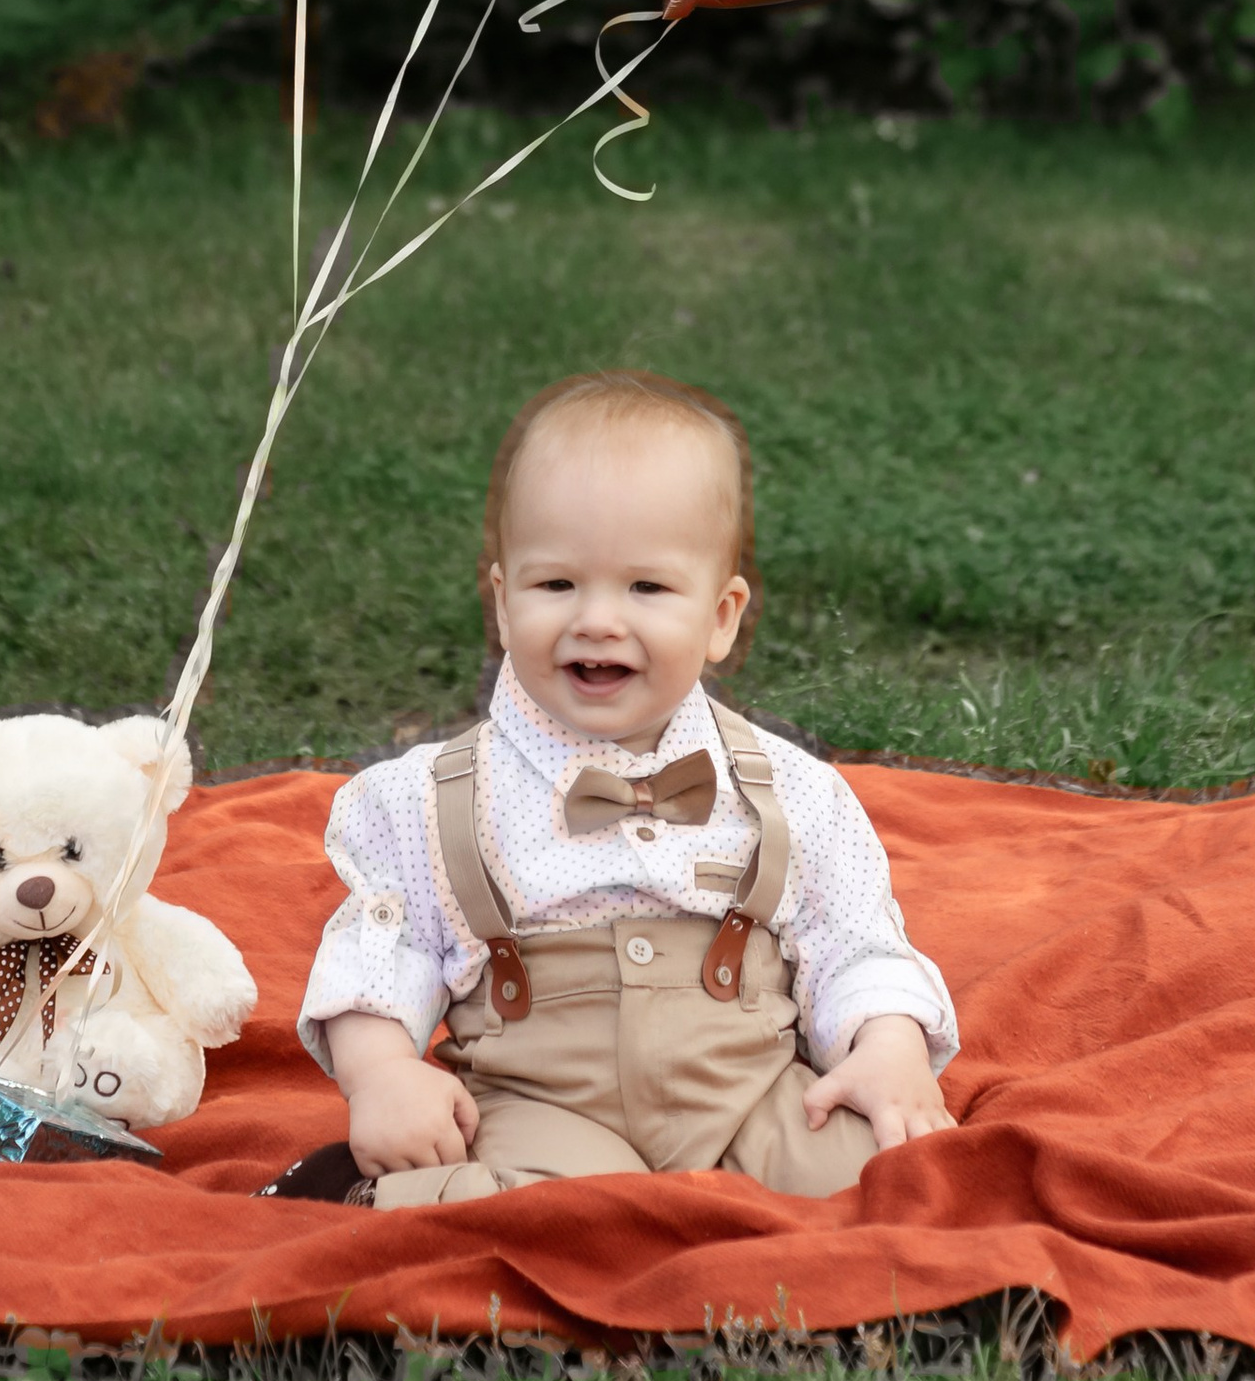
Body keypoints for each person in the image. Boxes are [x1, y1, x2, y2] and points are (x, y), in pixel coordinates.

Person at [298, 370, 957, 1204]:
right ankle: (383, 1197)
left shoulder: (794, 792)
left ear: (721, 617)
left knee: (891, 1176)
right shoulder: (431, 800)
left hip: (747, 1092)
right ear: (502, 604)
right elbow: (380, 953)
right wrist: (383, 1072)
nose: (598, 618)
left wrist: (887, 1046)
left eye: (646, 586)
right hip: (541, 1103)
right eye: (557, 584)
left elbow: (855, 940)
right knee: (534, 1215)